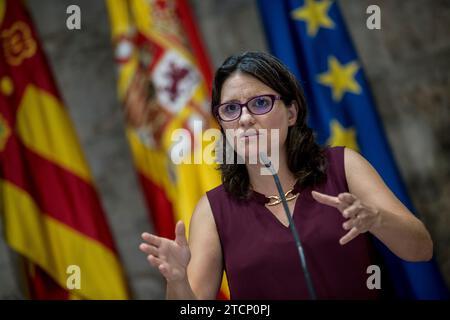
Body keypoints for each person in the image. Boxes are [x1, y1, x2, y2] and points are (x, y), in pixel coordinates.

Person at [139, 51, 433, 299]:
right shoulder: (213, 210)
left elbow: (421, 248)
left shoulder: (343, 167)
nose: (244, 118)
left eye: (260, 103)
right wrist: (177, 279)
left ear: (291, 112)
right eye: (230, 109)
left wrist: (377, 219)